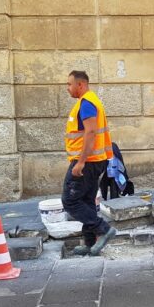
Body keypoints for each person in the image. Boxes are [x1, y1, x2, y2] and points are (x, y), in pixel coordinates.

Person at [62, 70, 117, 256]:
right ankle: (89, 242)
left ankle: (104, 229)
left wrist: (80, 162)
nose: (67, 88)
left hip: (87, 162)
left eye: (69, 84)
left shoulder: (86, 103)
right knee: (86, 200)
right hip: (94, 161)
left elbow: (91, 132)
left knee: (70, 201)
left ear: (80, 84)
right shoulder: (88, 101)